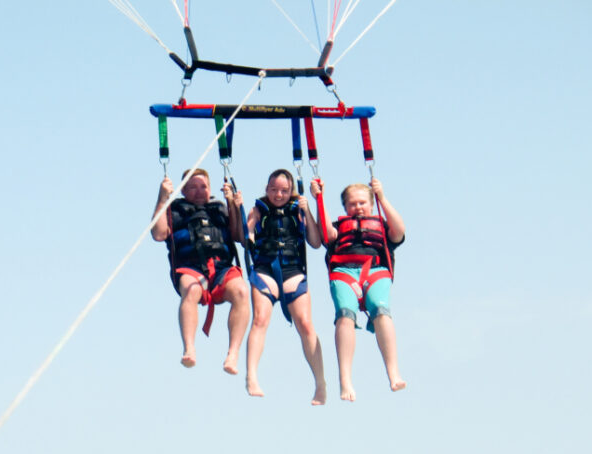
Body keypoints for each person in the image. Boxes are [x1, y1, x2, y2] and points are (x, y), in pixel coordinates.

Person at [313, 176, 406, 400]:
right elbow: (326, 235)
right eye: (353, 204)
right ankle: (345, 380)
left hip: (375, 271)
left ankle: (393, 373)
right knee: (345, 315)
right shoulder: (338, 226)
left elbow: (399, 232)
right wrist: (319, 198)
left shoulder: (382, 226)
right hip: (344, 273)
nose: (358, 208)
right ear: (345, 207)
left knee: (381, 311)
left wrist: (382, 197)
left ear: (371, 205)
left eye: (363, 203)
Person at [151, 168, 250, 373]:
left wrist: (235, 205)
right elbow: (159, 234)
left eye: (203, 187)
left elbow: (240, 237)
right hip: (190, 268)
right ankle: (189, 348)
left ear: (210, 189)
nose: (199, 191)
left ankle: (233, 354)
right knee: (192, 290)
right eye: (192, 187)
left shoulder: (220, 208)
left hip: (221, 268)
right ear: (183, 190)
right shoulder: (174, 210)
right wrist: (162, 197)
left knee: (241, 291)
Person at [243, 169, 326, 405]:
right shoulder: (258, 210)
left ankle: (320, 384)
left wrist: (307, 210)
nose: (278, 194)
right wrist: (248, 229)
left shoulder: (298, 210)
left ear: (290, 191)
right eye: (273, 190)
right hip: (265, 270)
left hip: (292, 270)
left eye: (284, 190)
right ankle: (252, 376)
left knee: (306, 325)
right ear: (266, 189)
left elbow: (316, 242)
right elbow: (246, 233)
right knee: (260, 320)